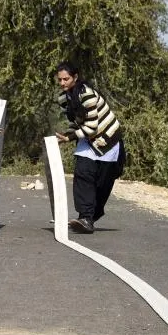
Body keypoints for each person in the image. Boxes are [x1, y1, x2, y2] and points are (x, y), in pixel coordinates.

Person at [54, 61, 125, 234]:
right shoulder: (64, 99)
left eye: (66, 79)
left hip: (108, 141)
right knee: (82, 174)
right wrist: (67, 135)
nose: (62, 83)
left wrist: (70, 137)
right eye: (60, 80)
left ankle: (92, 216)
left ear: (75, 77)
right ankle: (85, 217)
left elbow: (92, 126)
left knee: (102, 184)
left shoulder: (87, 95)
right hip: (88, 140)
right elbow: (76, 123)